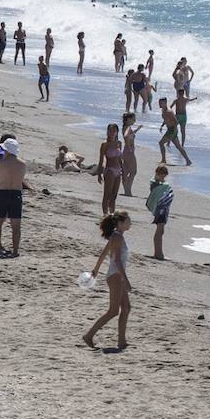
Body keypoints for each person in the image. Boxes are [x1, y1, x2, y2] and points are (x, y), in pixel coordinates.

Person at [84, 211, 132, 350]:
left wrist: (96, 269)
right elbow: (116, 260)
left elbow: (104, 253)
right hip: (116, 276)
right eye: (128, 221)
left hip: (117, 276)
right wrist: (126, 280)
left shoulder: (116, 236)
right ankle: (89, 335)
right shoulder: (117, 237)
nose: (130, 223)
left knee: (127, 308)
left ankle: (122, 341)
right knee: (113, 311)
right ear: (120, 223)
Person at [95, 124, 123, 216]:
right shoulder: (105, 144)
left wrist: (123, 171)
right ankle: (105, 215)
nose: (112, 133)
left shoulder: (119, 143)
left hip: (118, 170)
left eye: (114, 131)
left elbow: (120, 159)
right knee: (107, 194)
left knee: (114, 195)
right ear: (107, 131)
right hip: (109, 170)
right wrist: (99, 174)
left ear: (117, 132)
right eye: (110, 131)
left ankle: (112, 214)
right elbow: (101, 160)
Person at [156, 98, 191, 166]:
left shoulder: (169, 111)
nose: (159, 104)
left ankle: (163, 159)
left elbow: (176, 122)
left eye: (161, 103)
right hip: (170, 129)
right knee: (178, 147)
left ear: (165, 103)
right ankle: (188, 161)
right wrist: (162, 125)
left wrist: (174, 131)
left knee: (161, 143)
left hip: (172, 130)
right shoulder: (163, 110)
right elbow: (166, 119)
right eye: (159, 103)